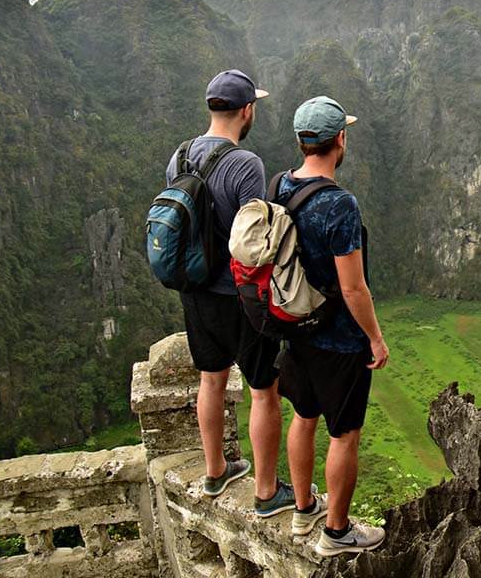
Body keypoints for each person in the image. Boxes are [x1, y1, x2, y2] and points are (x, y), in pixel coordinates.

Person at [166, 69, 295, 517]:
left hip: (194, 293)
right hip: (237, 298)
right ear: (247, 110)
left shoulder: (179, 157)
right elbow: (253, 243)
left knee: (211, 380)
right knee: (264, 390)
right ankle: (265, 492)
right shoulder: (245, 164)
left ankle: (216, 471)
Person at [274, 96, 390, 556]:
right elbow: (354, 289)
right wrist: (375, 338)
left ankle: (304, 510)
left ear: (302, 142)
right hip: (339, 341)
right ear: (340, 140)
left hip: (294, 330)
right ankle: (337, 532)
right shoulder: (340, 205)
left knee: (303, 417)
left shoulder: (279, 185)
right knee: (344, 433)